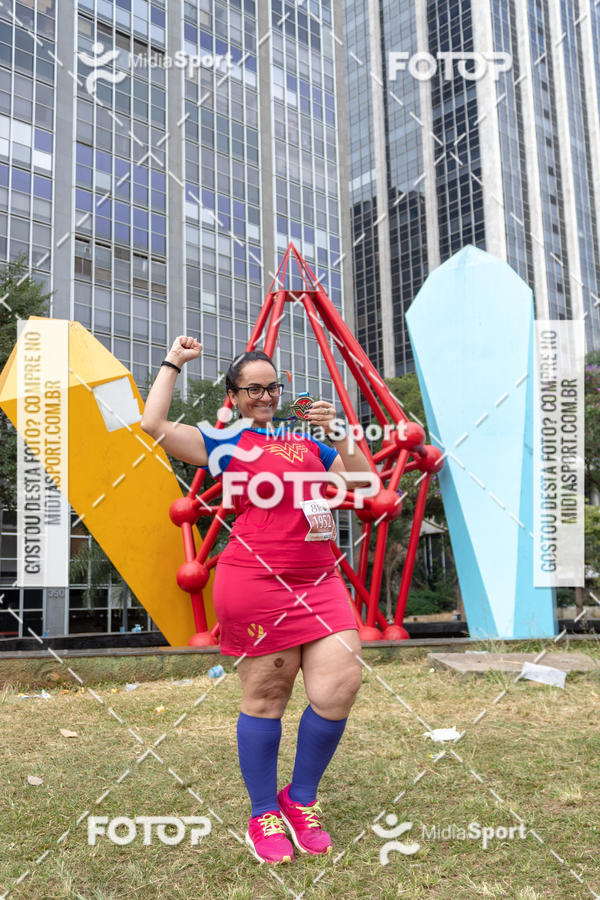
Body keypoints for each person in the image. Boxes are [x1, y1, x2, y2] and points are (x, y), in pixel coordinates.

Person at [141, 335, 372, 865]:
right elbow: (152, 426)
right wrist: (173, 363)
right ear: (234, 395)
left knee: (339, 687)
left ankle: (301, 799)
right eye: (253, 390)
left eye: (273, 387)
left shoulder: (311, 445)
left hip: (320, 581)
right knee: (268, 697)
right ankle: (264, 811)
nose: (265, 397)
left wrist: (339, 433)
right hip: (256, 582)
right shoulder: (224, 442)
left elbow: (362, 480)